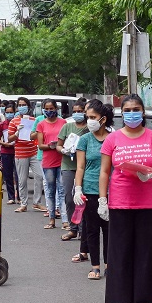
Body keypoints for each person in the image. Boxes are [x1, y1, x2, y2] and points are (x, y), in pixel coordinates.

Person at [99, 93, 152, 303]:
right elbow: (105, 171)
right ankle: (120, 299)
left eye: (136, 109)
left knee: (146, 252)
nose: (132, 113)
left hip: (147, 203)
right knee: (119, 251)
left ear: (143, 112)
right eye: (128, 110)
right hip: (120, 202)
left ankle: (146, 300)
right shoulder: (112, 139)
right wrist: (102, 199)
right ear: (122, 113)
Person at [74, 99, 112, 279]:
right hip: (89, 189)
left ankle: (109, 265)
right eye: (87, 117)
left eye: (93, 117)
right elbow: (80, 167)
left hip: (112, 190)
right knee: (92, 229)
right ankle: (95, 266)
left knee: (110, 230)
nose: (89, 121)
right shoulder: (84, 140)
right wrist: (78, 188)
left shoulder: (113, 138)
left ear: (103, 119)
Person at [58, 97, 89, 240]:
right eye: (75, 111)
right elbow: (59, 145)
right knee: (69, 198)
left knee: (83, 198)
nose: (77, 114)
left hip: (85, 167)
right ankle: (73, 228)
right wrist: (63, 150)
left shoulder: (90, 128)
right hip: (68, 166)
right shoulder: (67, 127)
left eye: (80, 111)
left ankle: (84, 229)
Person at [37, 98, 67, 230]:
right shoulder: (41, 124)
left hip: (62, 160)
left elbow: (67, 140)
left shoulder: (63, 123)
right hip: (48, 162)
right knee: (49, 190)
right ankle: (51, 219)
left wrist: (60, 146)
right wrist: (50, 146)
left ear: (56, 109)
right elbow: (40, 145)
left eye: (52, 108)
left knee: (62, 190)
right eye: (47, 109)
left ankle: (65, 221)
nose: (49, 111)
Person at [7, 96, 40, 212]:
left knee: (40, 176)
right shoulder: (13, 121)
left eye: (23, 105)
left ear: (28, 106)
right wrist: (17, 133)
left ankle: (36, 202)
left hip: (33, 152)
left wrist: (35, 133)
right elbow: (9, 139)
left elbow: (37, 135)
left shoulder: (33, 120)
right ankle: (23, 204)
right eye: (19, 105)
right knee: (22, 180)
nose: (22, 107)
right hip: (21, 154)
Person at [0, 101, 18, 203]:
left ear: (14, 112)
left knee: (18, 175)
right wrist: (4, 144)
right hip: (6, 151)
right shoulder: (2, 124)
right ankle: (11, 197)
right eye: (7, 112)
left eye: (11, 112)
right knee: (8, 175)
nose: (9, 114)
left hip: (17, 151)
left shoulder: (18, 123)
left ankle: (20, 196)